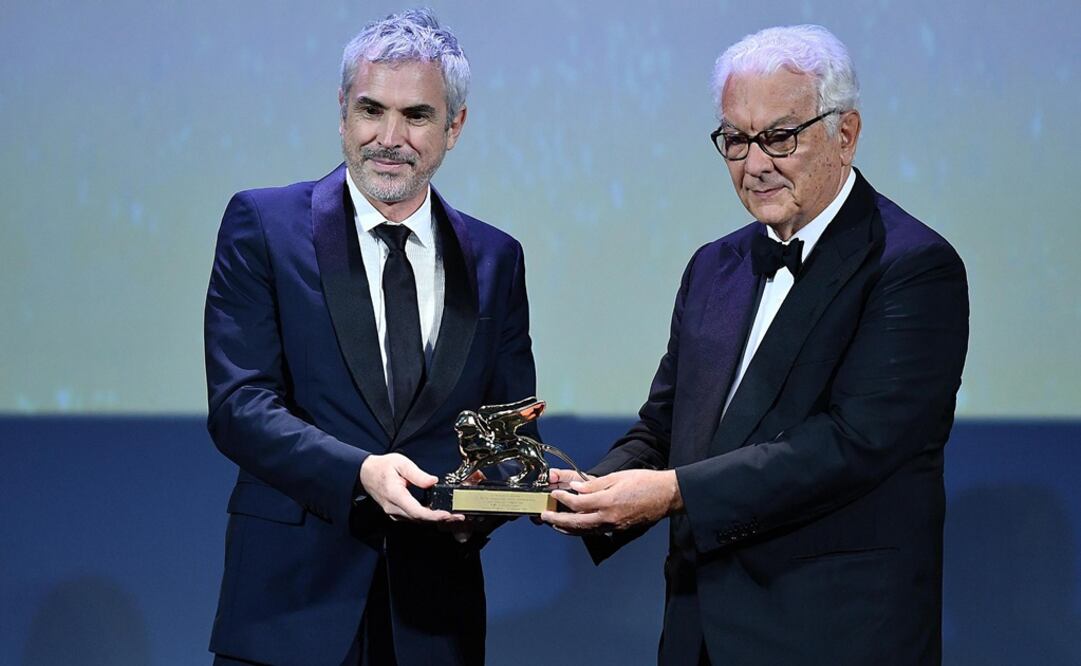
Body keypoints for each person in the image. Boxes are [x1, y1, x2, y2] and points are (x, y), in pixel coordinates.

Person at [543, 24, 969, 665]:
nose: (755, 163)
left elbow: (851, 446)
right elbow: (665, 427)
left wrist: (671, 492)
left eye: (779, 136)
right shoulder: (712, 267)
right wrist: (588, 489)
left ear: (845, 133)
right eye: (736, 140)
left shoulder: (913, 267)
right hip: (699, 632)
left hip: (834, 637)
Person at [204, 9, 537, 665]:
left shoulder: (497, 258)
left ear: (454, 126)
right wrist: (358, 472)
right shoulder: (263, 225)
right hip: (290, 608)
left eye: (416, 115)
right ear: (341, 112)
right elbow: (240, 406)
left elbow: (504, 432)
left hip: (433, 618)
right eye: (370, 110)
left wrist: (486, 503)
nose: (390, 137)